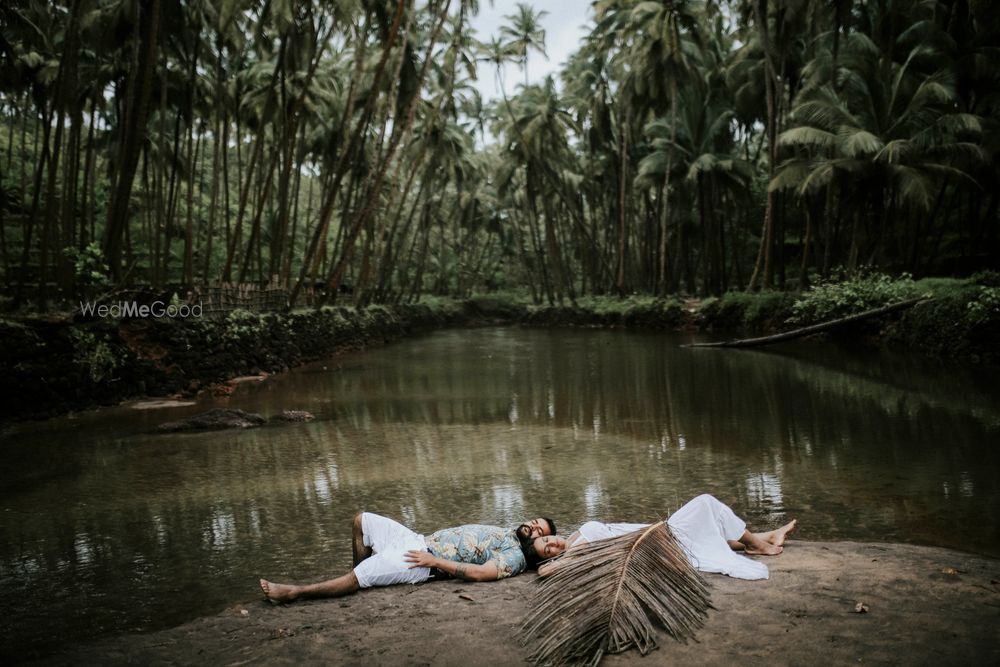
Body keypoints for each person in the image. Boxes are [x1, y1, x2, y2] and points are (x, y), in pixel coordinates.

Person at [260, 512, 556, 603]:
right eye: (535, 521)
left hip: (421, 560)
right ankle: (361, 576)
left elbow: (482, 574)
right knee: (362, 521)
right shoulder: (510, 533)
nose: (533, 526)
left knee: (358, 578)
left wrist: (435, 563)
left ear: (535, 546)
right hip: (416, 539)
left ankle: (294, 592)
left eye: (539, 532)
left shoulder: (515, 557)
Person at [532, 494, 796, 581]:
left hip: (659, 530)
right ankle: (758, 545)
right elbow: (546, 573)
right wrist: (547, 564)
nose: (552, 544)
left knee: (705, 534)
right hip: (661, 540)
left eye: (546, 539)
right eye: (548, 551)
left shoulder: (576, 536)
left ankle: (766, 535)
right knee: (705, 503)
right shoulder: (578, 550)